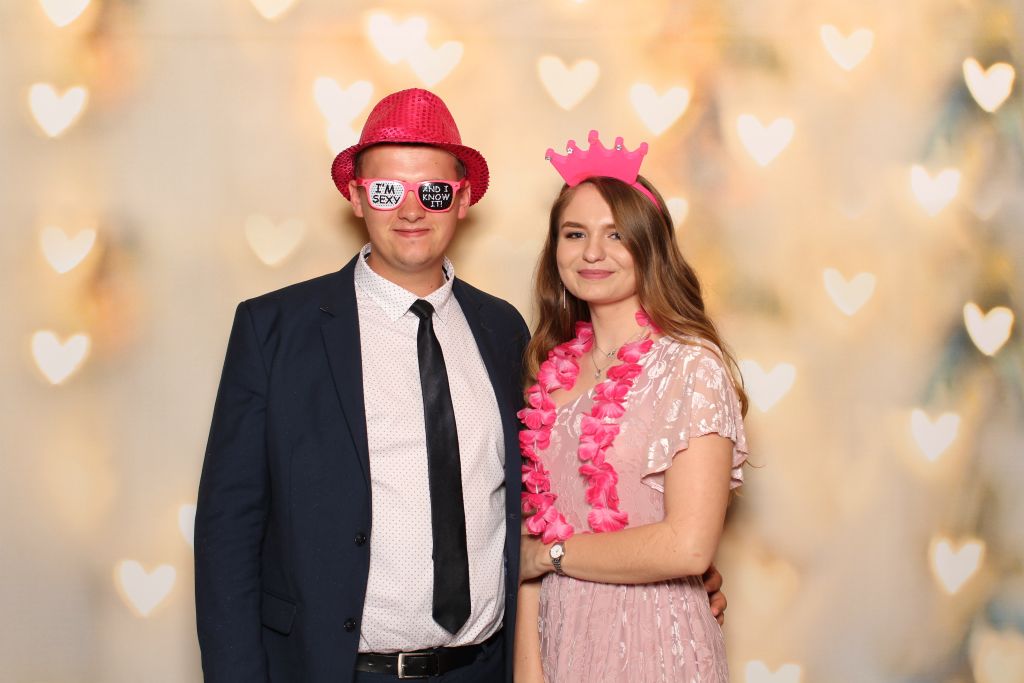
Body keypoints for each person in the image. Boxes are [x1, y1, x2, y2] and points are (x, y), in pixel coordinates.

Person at [195, 89, 727, 682]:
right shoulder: (274, 330)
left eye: (434, 191)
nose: (411, 210)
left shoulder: (503, 330)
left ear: (464, 199)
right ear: (356, 197)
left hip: (485, 668)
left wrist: (674, 575)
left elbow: (545, 495)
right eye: (388, 190)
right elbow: (227, 531)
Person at [514, 130, 749, 683]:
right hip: (562, 640)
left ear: (649, 247)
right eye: (574, 234)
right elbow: (527, 546)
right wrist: (528, 670)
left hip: (659, 645)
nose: (592, 252)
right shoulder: (547, 377)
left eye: (615, 234)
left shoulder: (691, 368)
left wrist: (549, 555)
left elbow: (687, 547)